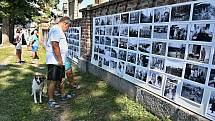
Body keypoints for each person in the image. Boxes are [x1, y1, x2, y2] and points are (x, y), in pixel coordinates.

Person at [46, 16, 72, 108]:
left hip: (59, 60)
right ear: (65, 23)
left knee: (61, 79)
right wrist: (60, 60)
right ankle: (51, 100)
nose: (68, 28)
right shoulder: (56, 30)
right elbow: (55, 45)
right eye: (68, 26)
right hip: (55, 61)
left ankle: (62, 95)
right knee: (53, 80)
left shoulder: (59, 30)